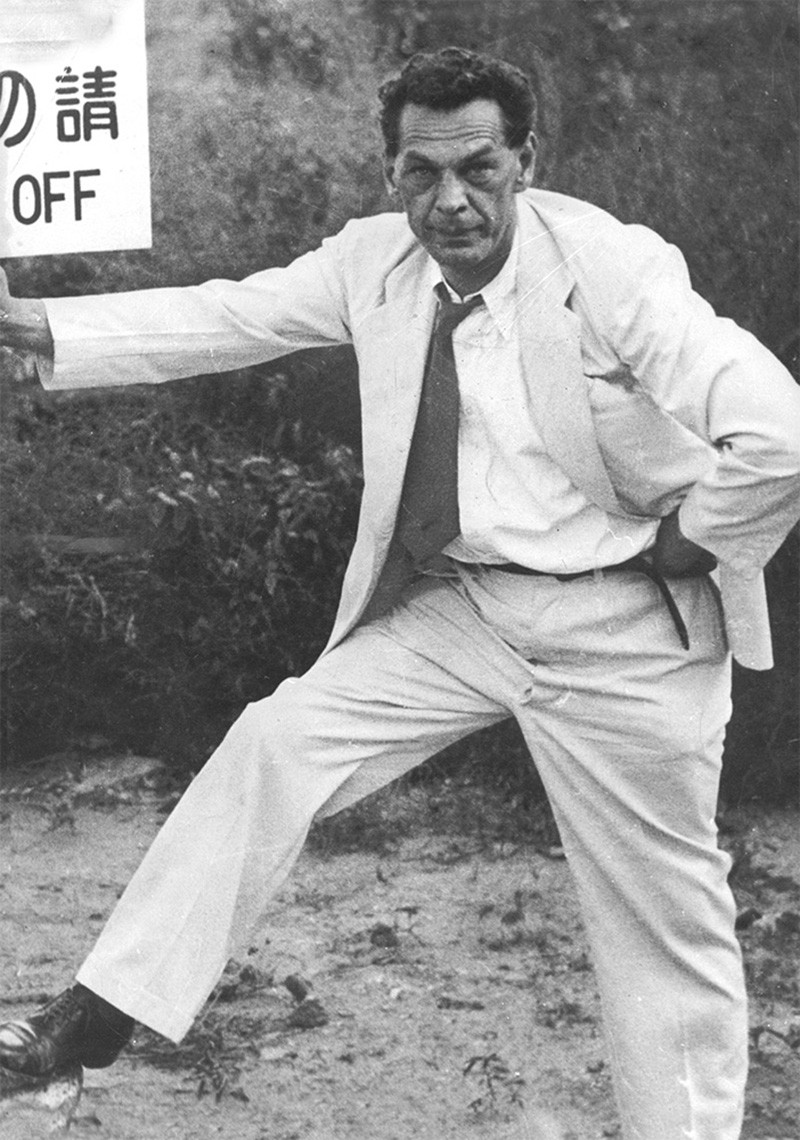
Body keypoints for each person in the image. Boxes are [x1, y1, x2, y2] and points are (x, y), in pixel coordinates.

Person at [1, 46, 798, 1140]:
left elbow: (778, 432)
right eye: (421, 173)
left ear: (526, 162)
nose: (450, 201)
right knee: (275, 743)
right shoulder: (371, 263)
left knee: (663, 928)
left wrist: (693, 542)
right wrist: (39, 326)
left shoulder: (612, 269)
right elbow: (233, 316)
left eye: (478, 168)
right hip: (464, 613)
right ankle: (88, 1025)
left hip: (628, 632)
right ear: (390, 175)